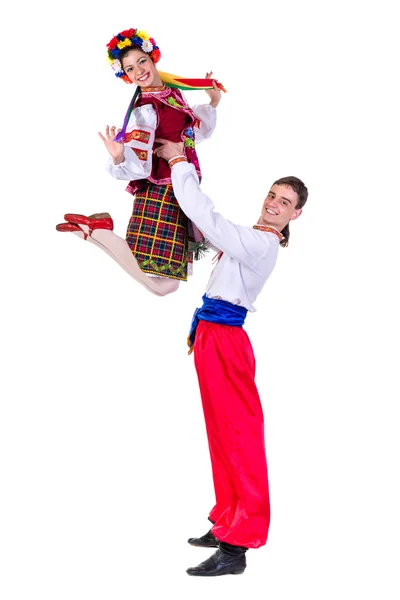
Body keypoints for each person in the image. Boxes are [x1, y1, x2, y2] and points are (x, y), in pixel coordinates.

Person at [154, 138, 308, 576]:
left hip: (227, 340)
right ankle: (227, 518)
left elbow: (206, 216)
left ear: (296, 214)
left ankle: (238, 546)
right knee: (221, 433)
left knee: (240, 436)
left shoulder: (262, 244)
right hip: (210, 335)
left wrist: (180, 161)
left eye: (285, 202)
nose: (274, 204)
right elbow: (205, 228)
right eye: (272, 195)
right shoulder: (250, 238)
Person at [56, 28, 224, 296]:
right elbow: (142, 161)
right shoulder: (144, 108)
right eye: (130, 69)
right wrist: (120, 156)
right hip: (161, 192)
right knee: (165, 285)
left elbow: (193, 133)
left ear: (153, 57)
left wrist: (212, 103)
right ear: (126, 75)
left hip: (179, 187)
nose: (138, 71)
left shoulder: (172, 93)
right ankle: (98, 232)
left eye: (141, 61)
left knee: (168, 284)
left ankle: (96, 231)